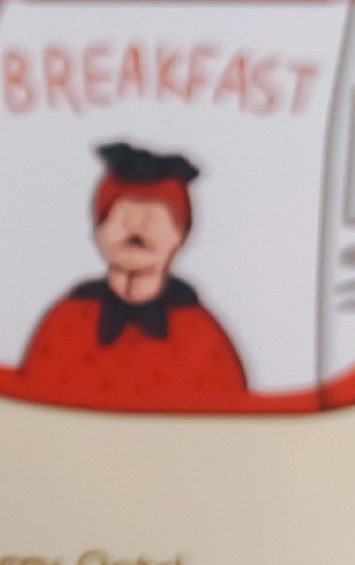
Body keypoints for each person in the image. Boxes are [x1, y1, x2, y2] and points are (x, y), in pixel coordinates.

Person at [18, 142, 248, 412]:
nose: (136, 227)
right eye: (123, 215)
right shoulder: (66, 321)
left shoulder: (201, 332)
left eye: (153, 217)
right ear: (98, 230)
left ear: (181, 236)